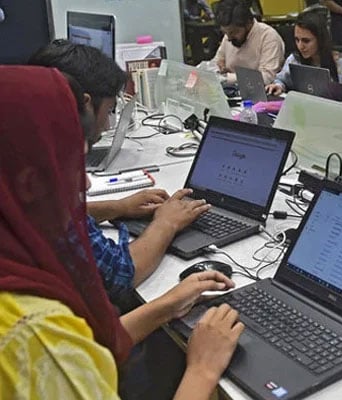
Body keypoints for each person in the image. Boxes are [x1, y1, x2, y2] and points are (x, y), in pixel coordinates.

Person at [0, 65, 244, 399]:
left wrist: (168, 305)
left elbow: (90, 344)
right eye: (73, 165)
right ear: (29, 183)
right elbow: (62, 350)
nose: (85, 183)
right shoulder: (34, 338)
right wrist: (202, 370)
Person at [28, 40, 212, 305]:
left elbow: (49, 217)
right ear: (84, 104)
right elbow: (118, 274)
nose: (106, 124)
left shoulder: (20, 144)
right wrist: (166, 223)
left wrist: (118, 206)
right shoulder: (36, 171)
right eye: (110, 110)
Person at [265, 10, 342, 95]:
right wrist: (278, 85)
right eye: (297, 40)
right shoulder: (294, 59)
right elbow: (281, 79)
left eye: (306, 41)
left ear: (320, 40)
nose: (300, 46)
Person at [212, 0, 285, 85]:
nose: (229, 38)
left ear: (248, 24)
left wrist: (226, 77)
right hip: (232, 89)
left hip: (259, 93)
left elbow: (267, 77)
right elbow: (215, 63)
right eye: (225, 33)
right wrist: (219, 67)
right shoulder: (230, 36)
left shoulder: (268, 37)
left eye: (234, 32)